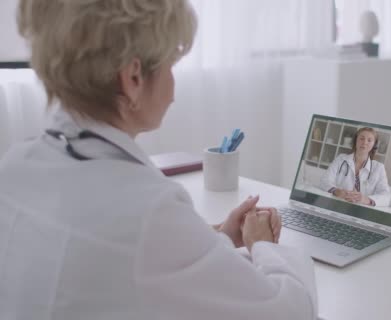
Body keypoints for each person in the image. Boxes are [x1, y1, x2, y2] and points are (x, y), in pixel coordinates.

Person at [0, 1, 316, 319]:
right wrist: (263, 246)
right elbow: (291, 311)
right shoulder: (148, 210)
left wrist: (215, 239)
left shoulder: (15, 168)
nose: (174, 87)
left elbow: (120, 265)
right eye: (170, 65)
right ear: (133, 78)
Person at [320, 127, 391, 207]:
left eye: (369, 140)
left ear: (374, 145)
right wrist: (336, 191)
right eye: (361, 138)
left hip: (361, 212)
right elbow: (324, 180)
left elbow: (386, 196)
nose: (364, 142)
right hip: (336, 206)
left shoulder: (379, 168)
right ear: (356, 140)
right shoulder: (341, 159)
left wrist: (365, 199)